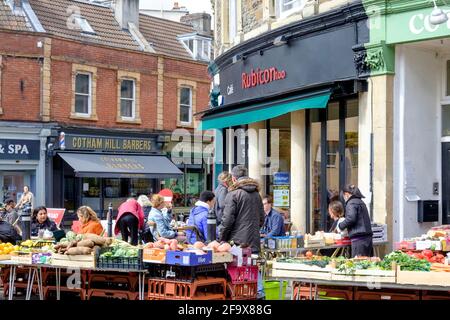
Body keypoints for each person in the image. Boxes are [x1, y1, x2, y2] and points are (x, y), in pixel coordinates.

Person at [220, 165, 265, 299]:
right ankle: (259, 293)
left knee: (236, 269)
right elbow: (262, 219)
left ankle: (241, 296)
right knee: (252, 267)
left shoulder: (233, 194)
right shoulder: (257, 195)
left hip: (237, 241)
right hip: (253, 239)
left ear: (233, 178)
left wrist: (222, 238)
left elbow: (227, 220)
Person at [338, 184, 373, 257]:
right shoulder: (360, 202)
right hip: (367, 238)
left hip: (359, 239)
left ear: (346, 194)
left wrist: (341, 225)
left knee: (358, 264)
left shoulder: (351, 203)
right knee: (366, 263)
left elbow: (351, 218)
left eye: (344, 195)